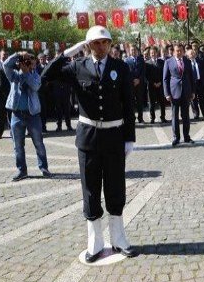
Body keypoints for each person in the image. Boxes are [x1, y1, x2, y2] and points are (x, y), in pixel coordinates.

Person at [41, 25, 138, 262]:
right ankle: (95, 242)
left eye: (105, 42)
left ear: (110, 44)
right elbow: (46, 77)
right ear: (88, 45)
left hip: (114, 136)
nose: (101, 46)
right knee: (91, 190)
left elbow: (129, 104)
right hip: (89, 138)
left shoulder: (120, 67)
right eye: (96, 43)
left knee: (116, 188)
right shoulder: (77, 67)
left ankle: (118, 238)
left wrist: (129, 137)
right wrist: (66, 54)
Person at [3, 51, 50, 181]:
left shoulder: (35, 76)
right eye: (26, 61)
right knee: (18, 145)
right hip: (17, 114)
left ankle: (44, 167)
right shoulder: (14, 75)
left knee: (38, 143)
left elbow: (35, 86)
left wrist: (26, 73)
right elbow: (6, 65)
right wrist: (18, 55)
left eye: (31, 61)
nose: (28, 63)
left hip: (32, 115)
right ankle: (21, 170)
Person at [163, 43, 194, 146]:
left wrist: (193, 91)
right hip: (174, 92)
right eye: (177, 51)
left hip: (186, 92)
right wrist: (167, 93)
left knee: (186, 115)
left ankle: (187, 137)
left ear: (183, 51)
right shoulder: (168, 62)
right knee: (175, 116)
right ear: (173, 51)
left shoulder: (187, 61)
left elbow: (191, 77)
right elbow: (165, 79)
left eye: (181, 50)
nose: (179, 52)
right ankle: (176, 137)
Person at [145, 46, 167, 123]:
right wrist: (153, 83)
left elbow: (164, 74)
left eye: (154, 52)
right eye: (151, 53)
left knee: (162, 102)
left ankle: (163, 117)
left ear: (157, 53)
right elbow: (146, 75)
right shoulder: (147, 63)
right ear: (150, 54)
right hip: (151, 86)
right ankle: (152, 118)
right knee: (152, 103)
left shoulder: (162, 62)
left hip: (160, 85)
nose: (153, 54)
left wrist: (160, 82)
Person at [187, 47, 204, 120]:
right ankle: (196, 114)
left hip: (200, 83)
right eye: (190, 54)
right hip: (192, 84)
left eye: (193, 53)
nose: (192, 55)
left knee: (202, 100)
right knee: (193, 100)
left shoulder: (200, 61)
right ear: (188, 56)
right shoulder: (187, 63)